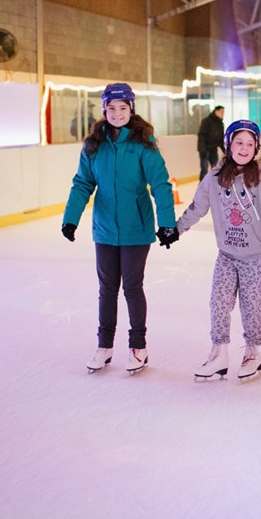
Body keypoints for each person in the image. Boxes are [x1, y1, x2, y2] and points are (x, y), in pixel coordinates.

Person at [62, 82, 178, 375]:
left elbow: (161, 184)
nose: (116, 113)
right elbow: (83, 183)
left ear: (131, 109)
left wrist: (166, 223)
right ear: (104, 109)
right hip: (104, 229)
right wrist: (70, 217)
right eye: (111, 108)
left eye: (122, 108)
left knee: (132, 286)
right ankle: (104, 346)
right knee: (107, 288)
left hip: (136, 228)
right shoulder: (94, 144)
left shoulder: (143, 143)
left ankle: (138, 347)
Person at [176, 120, 261, 381]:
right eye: (239, 142)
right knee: (218, 302)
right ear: (228, 144)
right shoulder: (215, 178)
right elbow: (197, 207)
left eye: (250, 144)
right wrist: (177, 228)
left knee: (251, 306)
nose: (244, 148)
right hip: (227, 256)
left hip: (256, 258)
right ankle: (219, 353)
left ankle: (253, 353)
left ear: (256, 147)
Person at [197, 105, 226, 180]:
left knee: (215, 168)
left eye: (223, 112)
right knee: (204, 169)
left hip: (213, 149)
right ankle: (202, 187)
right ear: (216, 111)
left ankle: (214, 185)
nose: (223, 114)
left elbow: (221, 139)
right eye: (221, 112)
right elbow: (202, 135)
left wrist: (225, 150)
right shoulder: (207, 121)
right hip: (205, 149)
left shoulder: (220, 124)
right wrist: (202, 148)